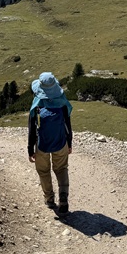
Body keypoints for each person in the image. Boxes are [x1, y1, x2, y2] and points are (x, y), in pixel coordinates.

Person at [28, 71, 73, 215]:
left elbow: (32, 128)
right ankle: (63, 195)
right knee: (61, 168)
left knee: (43, 171)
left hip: (42, 144)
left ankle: (49, 198)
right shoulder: (62, 102)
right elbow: (67, 124)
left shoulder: (37, 103)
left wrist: (30, 149)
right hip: (61, 142)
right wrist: (69, 143)